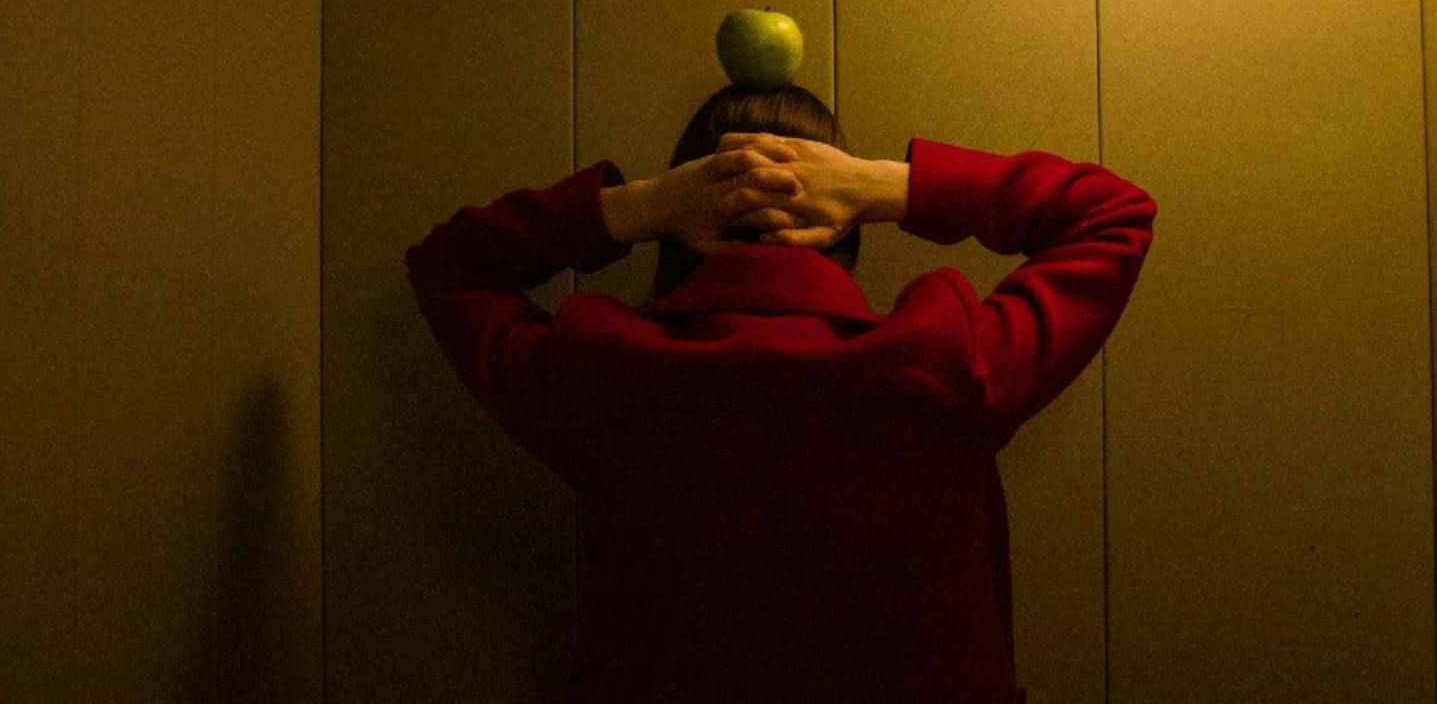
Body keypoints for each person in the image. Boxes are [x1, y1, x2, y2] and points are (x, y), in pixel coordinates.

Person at [405, 82, 1158, 703]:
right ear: (841, 222)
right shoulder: (951, 362)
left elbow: (451, 265)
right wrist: (884, 185)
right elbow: (1112, 213)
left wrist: (643, 206)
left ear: (683, 221)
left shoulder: (600, 373)